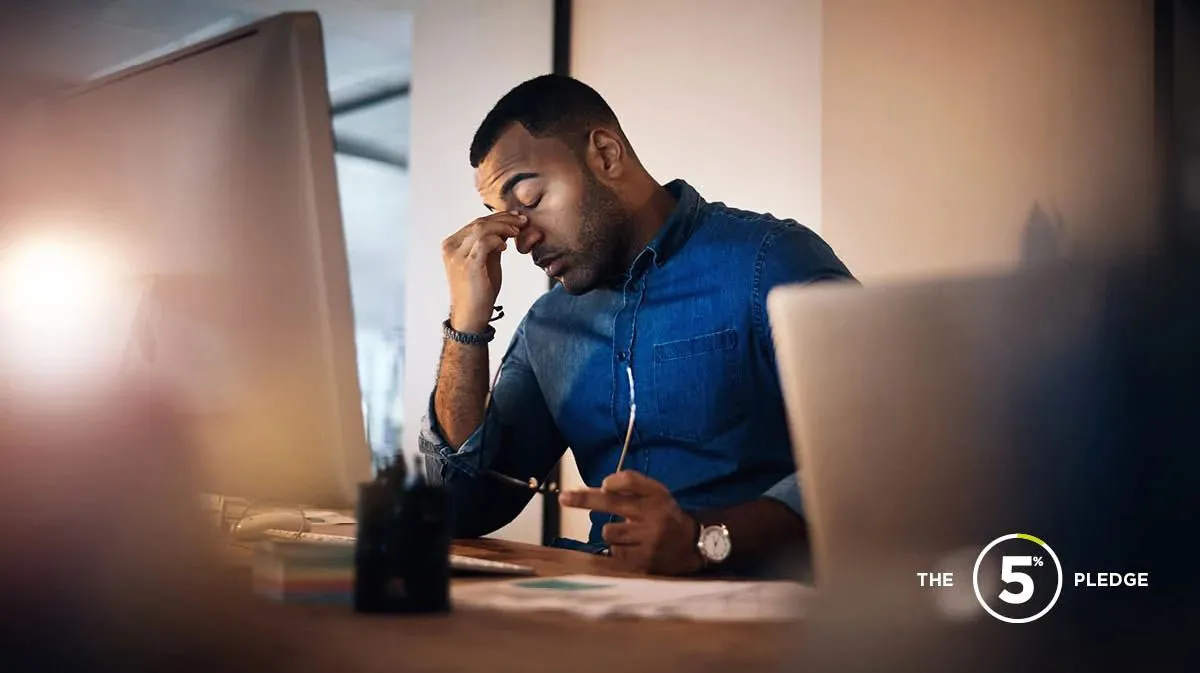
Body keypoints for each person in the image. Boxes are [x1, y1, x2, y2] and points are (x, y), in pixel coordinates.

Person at [419, 74, 854, 576]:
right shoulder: (549, 326)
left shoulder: (769, 261)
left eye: (531, 199)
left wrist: (702, 540)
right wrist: (465, 324)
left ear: (605, 154)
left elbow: (873, 453)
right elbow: (460, 508)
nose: (521, 239)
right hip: (604, 616)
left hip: (756, 622)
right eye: (503, 217)